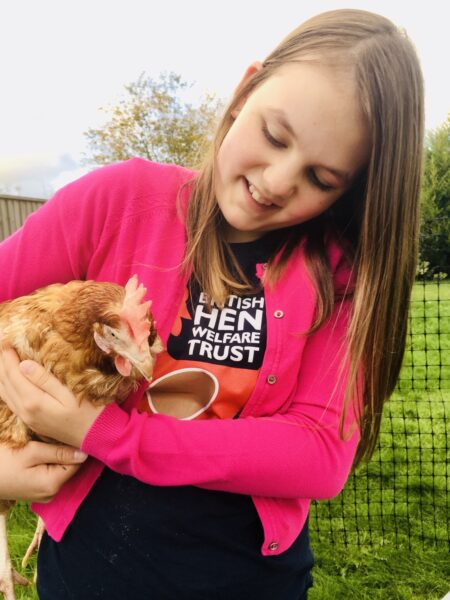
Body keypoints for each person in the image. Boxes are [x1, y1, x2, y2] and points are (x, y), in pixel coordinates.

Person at [0, 8, 424, 599]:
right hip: (90, 574)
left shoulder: (339, 276)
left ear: (352, 191)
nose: (277, 180)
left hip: (248, 581)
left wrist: (105, 433)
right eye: (274, 136)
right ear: (243, 91)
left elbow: (320, 452)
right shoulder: (116, 201)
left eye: (321, 178)